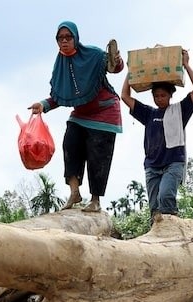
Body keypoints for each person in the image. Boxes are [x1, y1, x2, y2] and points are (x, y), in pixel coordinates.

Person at [30, 21, 124, 213]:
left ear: (76, 38)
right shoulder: (60, 66)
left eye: (68, 37)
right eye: (60, 38)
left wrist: (117, 60)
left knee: (97, 156)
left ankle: (95, 200)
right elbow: (60, 95)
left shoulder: (93, 54)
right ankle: (75, 192)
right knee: (70, 143)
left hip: (105, 112)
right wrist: (43, 105)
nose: (64, 41)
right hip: (81, 113)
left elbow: (115, 68)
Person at [120, 49, 193, 220]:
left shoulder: (180, 110)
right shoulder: (148, 113)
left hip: (173, 163)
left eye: (163, 95)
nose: (159, 99)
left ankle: (173, 230)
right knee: (155, 209)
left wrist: (186, 65)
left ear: (170, 95)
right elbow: (124, 96)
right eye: (156, 96)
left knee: (165, 198)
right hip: (152, 166)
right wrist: (131, 71)